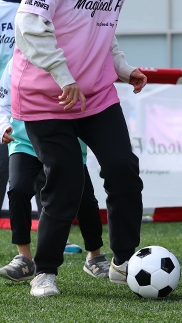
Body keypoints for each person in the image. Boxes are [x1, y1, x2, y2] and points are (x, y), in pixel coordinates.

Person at [10, 0, 159, 297]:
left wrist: (123, 69)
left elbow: (101, 28)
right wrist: (63, 74)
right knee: (67, 178)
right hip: (46, 95)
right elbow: (29, 21)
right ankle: (46, 272)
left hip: (93, 93)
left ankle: (122, 260)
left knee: (123, 170)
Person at [0, 59, 109, 281]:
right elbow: (3, 103)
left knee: (85, 200)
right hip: (24, 141)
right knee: (19, 189)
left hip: (67, 143)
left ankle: (95, 256)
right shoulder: (16, 63)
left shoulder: (77, 58)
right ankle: (24, 259)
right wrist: (3, 125)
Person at [0, 0, 42, 215]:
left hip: (39, 106)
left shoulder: (46, 10)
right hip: (3, 109)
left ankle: (55, 239)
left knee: (46, 178)